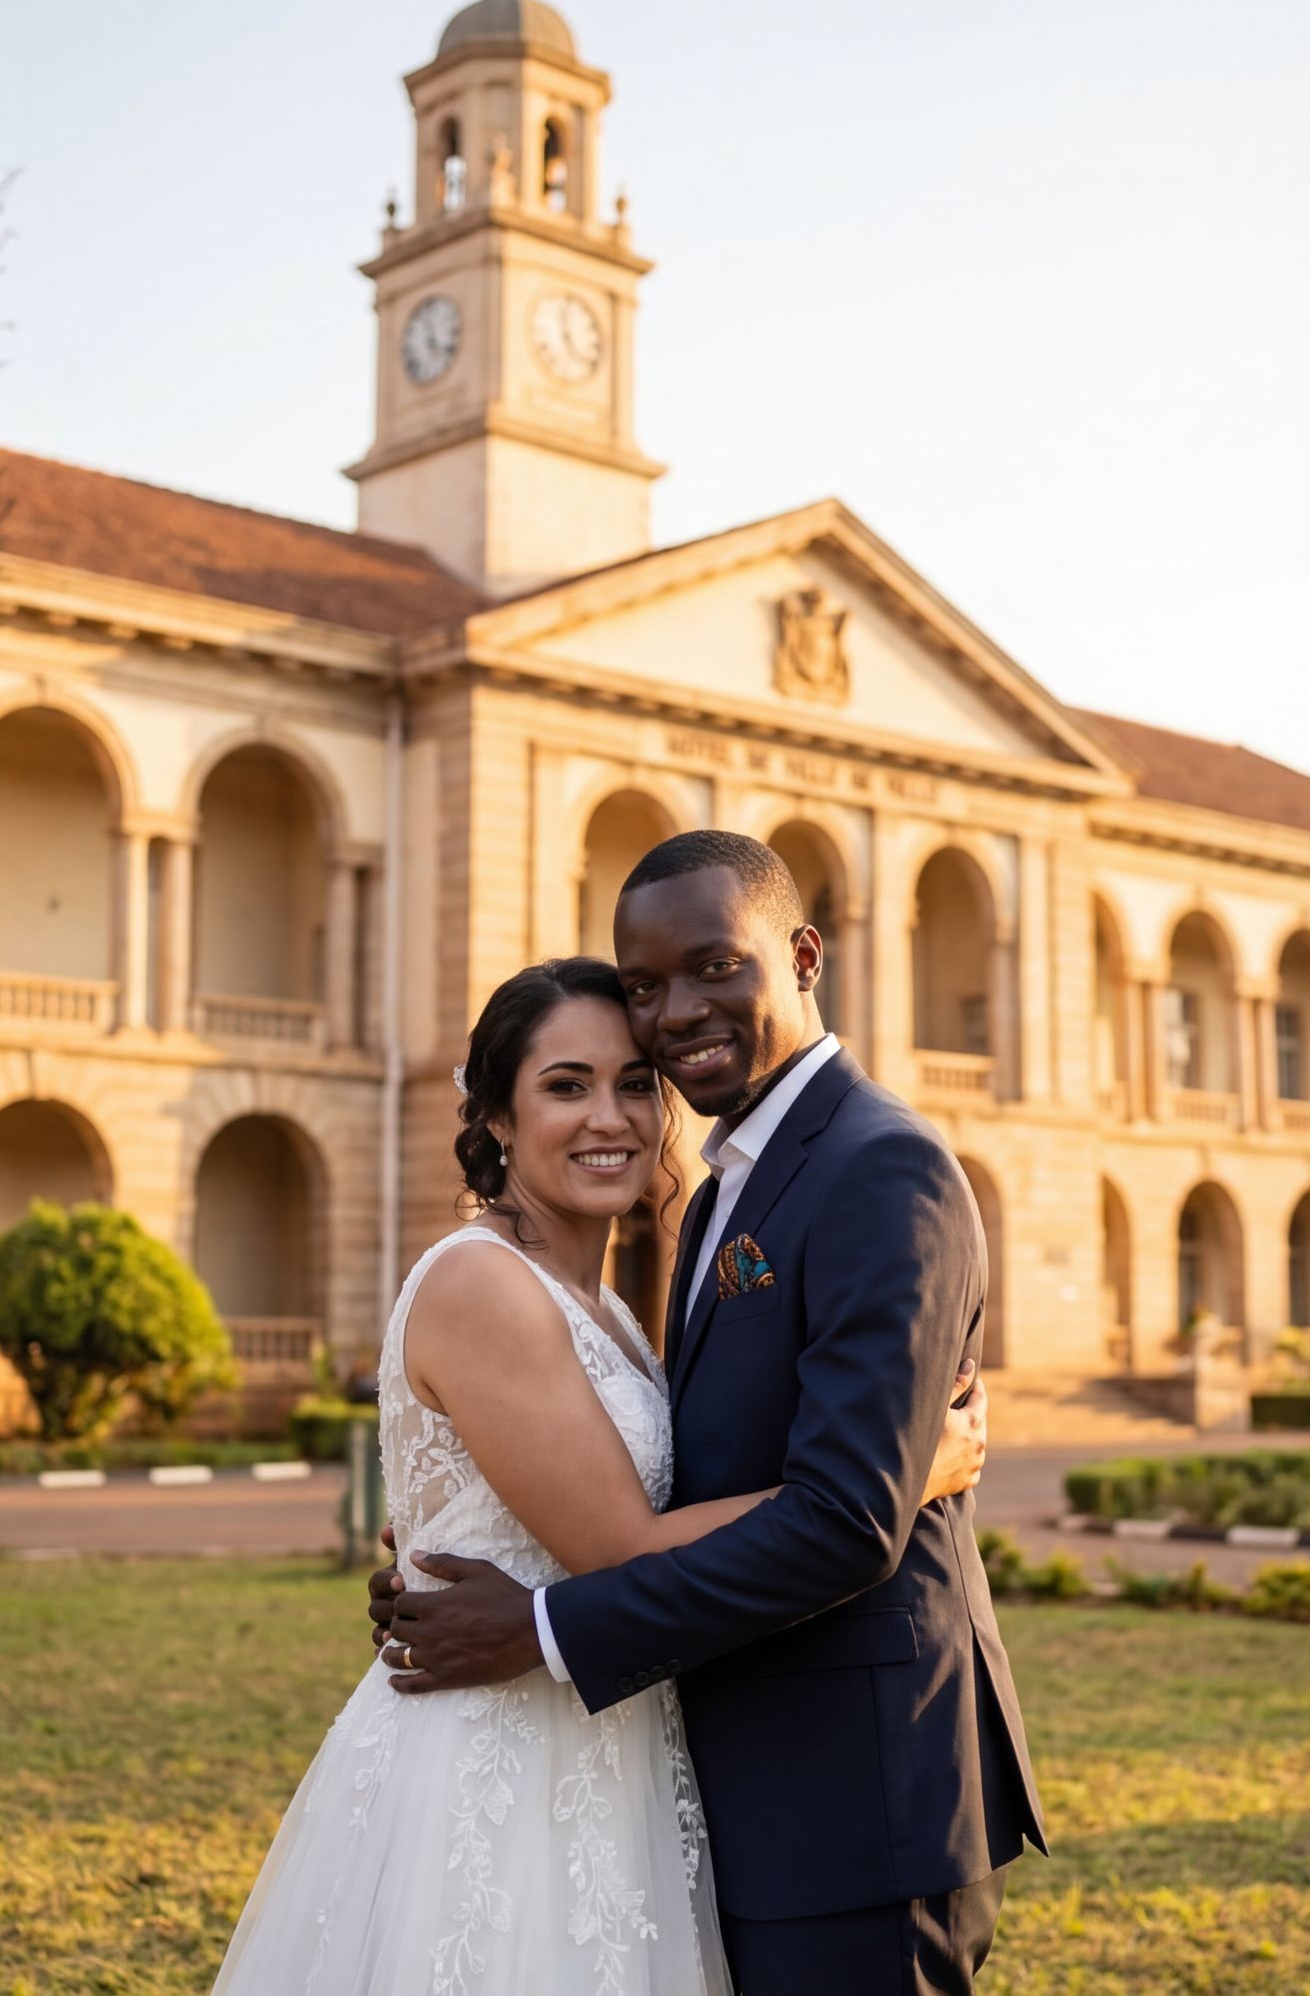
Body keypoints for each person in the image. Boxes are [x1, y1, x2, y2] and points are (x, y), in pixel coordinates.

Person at [209, 955, 987, 1993]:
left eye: (633, 1084)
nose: (609, 1116)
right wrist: (905, 1467)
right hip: (507, 1753)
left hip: (618, 1737)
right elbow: (618, 1545)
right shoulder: (482, 1281)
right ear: (493, 1118)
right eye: (565, 1086)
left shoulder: (616, 1311)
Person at [372, 831, 1045, 1995]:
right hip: (706, 1781)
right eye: (647, 991)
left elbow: (845, 1521)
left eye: (715, 968)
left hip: (855, 1796)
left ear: (800, 955)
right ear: (495, 1116)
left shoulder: (878, 1167)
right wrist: (465, 1540)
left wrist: (537, 1624)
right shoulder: (726, 1187)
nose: (678, 1013)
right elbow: (682, 1489)